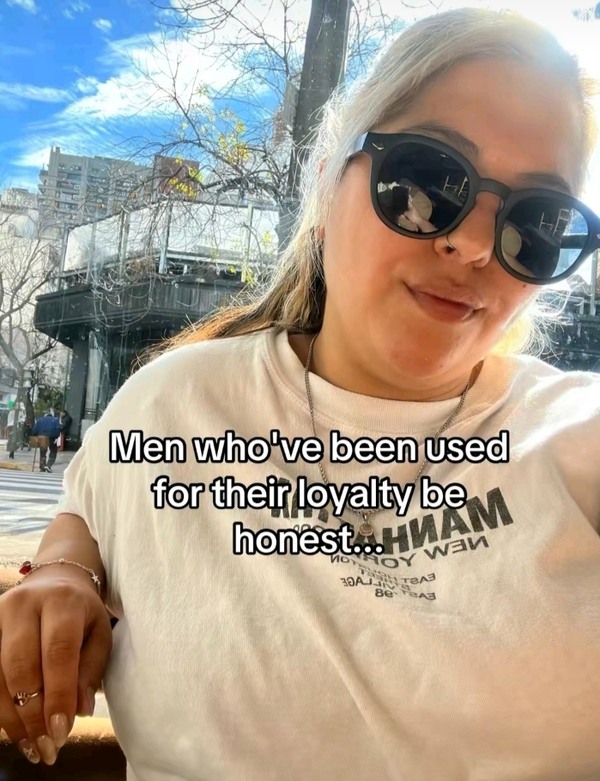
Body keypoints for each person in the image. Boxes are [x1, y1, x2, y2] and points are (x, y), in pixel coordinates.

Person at [1, 7, 600, 779]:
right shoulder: (176, 406)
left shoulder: (579, 436)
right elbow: (89, 510)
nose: (476, 244)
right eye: (425, 181)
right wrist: (65, 573)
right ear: (325, 186)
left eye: (538, 222)